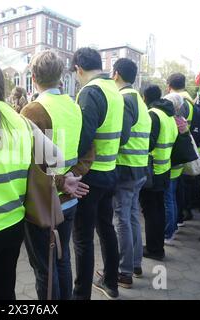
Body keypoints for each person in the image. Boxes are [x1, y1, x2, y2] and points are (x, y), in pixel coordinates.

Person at [0, 59, 85, 301]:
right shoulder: (21, 120)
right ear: (0, 84)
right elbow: (56, 158)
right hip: (13, 225)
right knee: (4, 290)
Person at [21, 50, 91, 300]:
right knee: (62, 259)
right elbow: (89, 148)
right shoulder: (74, 106)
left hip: (45, 202)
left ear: (33, 77)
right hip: (70, 198)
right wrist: (73, 176)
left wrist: (63, 180)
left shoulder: (33, 111)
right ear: (61, 76)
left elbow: (30, 164)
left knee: (44, 267)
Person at [70, 47, 125, 300]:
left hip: (90, 176)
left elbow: (83, 138)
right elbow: (122, 135)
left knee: (82, 238)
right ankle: (111, 283)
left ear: (79, 69)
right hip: (111, 170)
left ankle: (81, 295)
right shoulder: (115, 90)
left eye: (76, 74)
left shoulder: (90, 92)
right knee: (106, 228)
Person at [112, 59, 151, 288]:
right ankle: (135, 265)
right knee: (133, 217)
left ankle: (124, 272)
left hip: (126, 169)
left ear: (116, 74)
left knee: (122, 220)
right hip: (139, 169)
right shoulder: (140, 100)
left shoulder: (124, 99)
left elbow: (122, 136)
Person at [141, 85, 178, 261]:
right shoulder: (168, 115)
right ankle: (158, 246)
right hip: (164, 169)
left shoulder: (153, 115)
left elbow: (149, 143)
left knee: (151, 211)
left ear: (145, 97)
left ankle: (154, 249)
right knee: (158, 209)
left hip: (153, 170)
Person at [167, 73, 200, 222]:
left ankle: (180, 218)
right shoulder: (190, 102)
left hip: (180, 151)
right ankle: (183, 214)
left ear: (169, 86)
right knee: (182, 188)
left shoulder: (179, 103)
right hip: (189, 149)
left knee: (177, 191)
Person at [163, 93, 189, 245]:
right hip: (179, 165)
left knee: (169, 199)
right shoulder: (182, 120)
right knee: (172, 197)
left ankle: (168, 232)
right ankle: (173, 227)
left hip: (171, 165)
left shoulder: (172, 121)